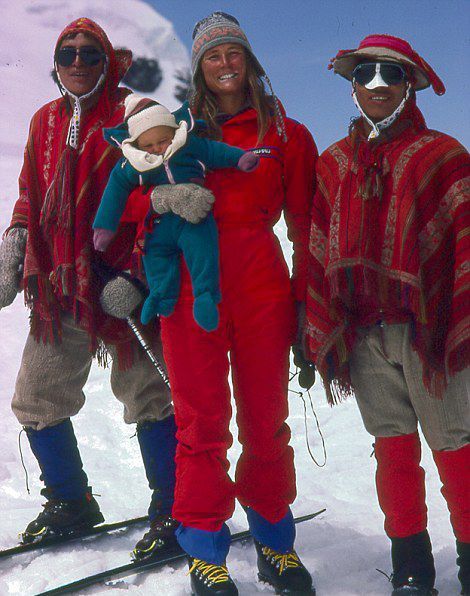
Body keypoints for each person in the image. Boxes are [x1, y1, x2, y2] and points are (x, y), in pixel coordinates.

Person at [0, 17, 216, 561]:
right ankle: (70, 502)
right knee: (37, 396)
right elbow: (30, 190)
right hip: (62, 283)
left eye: (90, 54)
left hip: (128, 283)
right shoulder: (44, 121)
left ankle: (173, 509)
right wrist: (16, 242)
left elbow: (168, 186)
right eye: (67, 53)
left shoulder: (135, 114)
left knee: (149, 395)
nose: (78, 62)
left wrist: (137, 273)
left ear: (107, 62)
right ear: (56, 63)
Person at [137, 11, 317, 596]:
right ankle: (204, 550)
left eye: (233, 52)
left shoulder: (286, 133)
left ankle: (274, 541)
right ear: (199, 68)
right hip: (193, 291)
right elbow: (137, 206)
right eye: (212, 56)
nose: (225, 64)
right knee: (201, 422)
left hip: (263, 287)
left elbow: (306, 227)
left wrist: (305, 305)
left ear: (249, 60)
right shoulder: (173, 132)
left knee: (266, 421)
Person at [306, 34, 469, 596]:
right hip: (362, 333)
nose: (377, 84)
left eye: (390, 73)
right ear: (352, 86)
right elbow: (317, 246)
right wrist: (314, 327)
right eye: (365, 73)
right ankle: (411, 568)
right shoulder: (333, 163)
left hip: (431, 335)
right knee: (393, 450)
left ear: (410, 85)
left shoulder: (442, 156)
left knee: (456, 446)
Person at [92, 93, 259, 332]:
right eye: (148, 146)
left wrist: (240, 158)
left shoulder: (188, 145)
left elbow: (216, 151)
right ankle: (160, 296)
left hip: (194, 216)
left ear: (172, 131)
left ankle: (206, 295)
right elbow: (114, 192)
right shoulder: (133, 163)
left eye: (163, 141)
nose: (157, 149)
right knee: (154, 254)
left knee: (203, 250)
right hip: (160, 222)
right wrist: (104, 227)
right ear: (137, 145)